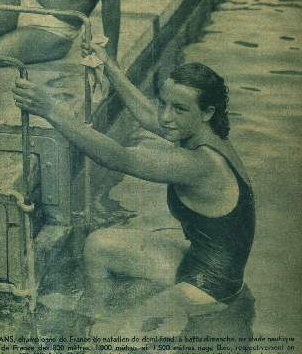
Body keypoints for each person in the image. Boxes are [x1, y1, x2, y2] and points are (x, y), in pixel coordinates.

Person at [13, 46, 255, 332]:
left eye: (178, 108)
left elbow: (118, 157)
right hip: (202, 262)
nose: (166, 117)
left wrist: (50, 109)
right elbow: (147, 113)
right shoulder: (203, 134)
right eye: (164, 103)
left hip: (212, 286)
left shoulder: (199, 163)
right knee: (99, 246)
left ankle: (103, 333)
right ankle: (95, 319)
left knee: (120, 335)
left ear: (207, 112)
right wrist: (109, 67)